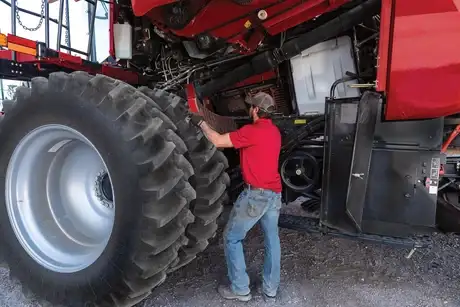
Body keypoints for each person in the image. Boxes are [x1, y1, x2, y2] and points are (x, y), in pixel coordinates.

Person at [190, 92, 282, 302]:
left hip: (256, 195)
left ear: (256, 110)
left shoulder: (252, 131)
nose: (248, 110)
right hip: (274, 195)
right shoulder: (274, 132)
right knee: (272, 240)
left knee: (232, 238)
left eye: (250, 107)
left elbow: (218, 141)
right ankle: (270, 289)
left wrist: (201, 122)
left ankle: (240, 289)